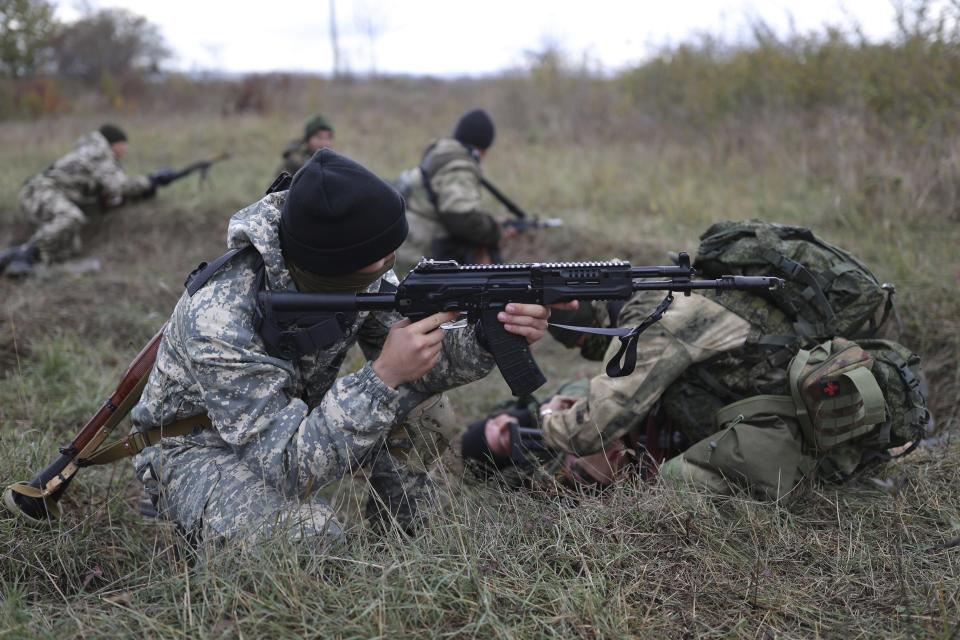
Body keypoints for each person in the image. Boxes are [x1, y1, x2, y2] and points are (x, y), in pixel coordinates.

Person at [130, 148, 559, 543]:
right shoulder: (221, 317)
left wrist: (488, 333)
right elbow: (286, 463)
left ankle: (401, 539)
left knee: (430, 414)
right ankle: (195, 519)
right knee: (310, 536)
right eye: (380, 257)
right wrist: (382, 377)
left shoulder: (355, 269)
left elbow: (425, 360)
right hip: (196, 447)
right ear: (333, 265)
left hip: (286, 424)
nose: (390, 263)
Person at [463, 285, 928, 501]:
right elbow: (608, 353)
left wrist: (552, 420)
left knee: (674, 488)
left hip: (792, 428)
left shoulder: (664, 320)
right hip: (787, 409)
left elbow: (594, 426)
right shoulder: (688, 296)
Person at [3, 124, 156, 277]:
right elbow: (119, 186)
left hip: (44, 192)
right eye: (123, 145)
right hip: (41, 191)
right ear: (113, 144)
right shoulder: (99, 153)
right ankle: (24, 256)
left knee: (70, 246)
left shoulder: (91, 151)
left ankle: (18, 261)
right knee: (71, 217)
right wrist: (150, 180)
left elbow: (107, 191)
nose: (125, 150)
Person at [395, 108, 516, 267]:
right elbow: (462, 217)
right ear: (482, 149)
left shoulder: (440, 156)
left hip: (409, 248)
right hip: (421, 259)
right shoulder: (458, 166)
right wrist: (496, 232)